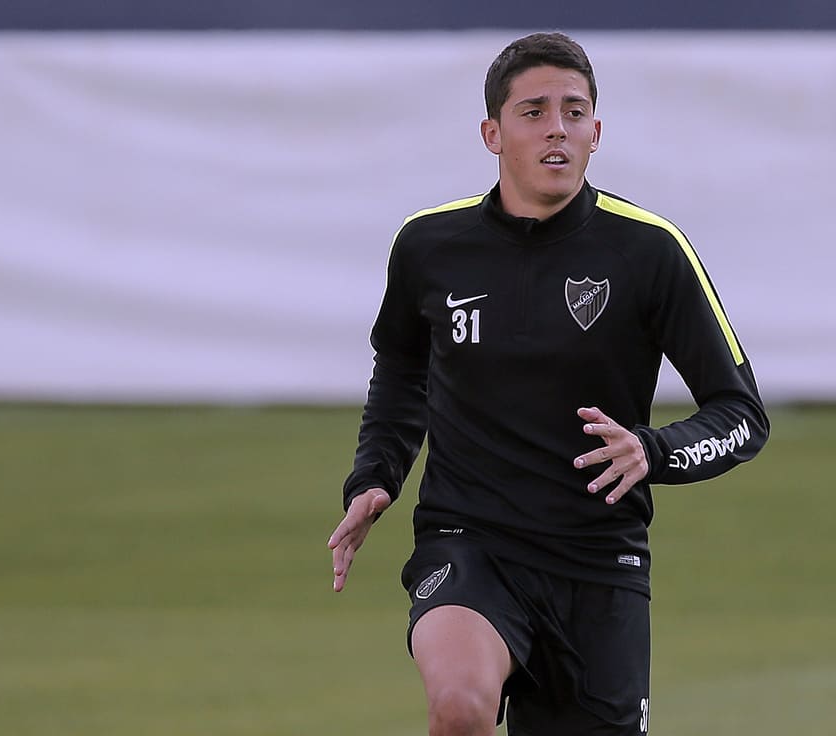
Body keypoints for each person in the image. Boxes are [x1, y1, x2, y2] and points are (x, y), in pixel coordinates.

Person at [328, 31, 768, 736]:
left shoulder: (650, 251)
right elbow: (403, 370)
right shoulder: (429, 246)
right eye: (533, 111)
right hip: (468, 541)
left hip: (599, 561)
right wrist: (376, 474)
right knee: (459, 706)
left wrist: (651, 452)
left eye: (573, 110)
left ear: (597, 131)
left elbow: (742, 416)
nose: (556, 127)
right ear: (492, 133)